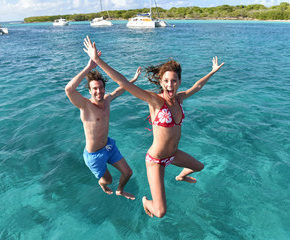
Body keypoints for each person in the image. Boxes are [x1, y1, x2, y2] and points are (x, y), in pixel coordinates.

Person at [83, 36, 224, 217]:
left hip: (173, 155)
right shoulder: (155, 101)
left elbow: (197, 86)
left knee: (199, 166)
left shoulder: (179, 98)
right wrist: (97, 60)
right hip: (156, 161)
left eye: (174, 80)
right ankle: (145, 201)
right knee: (160, 212)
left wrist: (212, 72)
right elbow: (124, 83)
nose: (170, 84)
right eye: (166, 81)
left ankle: (180, 176)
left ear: (179, 82)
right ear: (161, 83)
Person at [65, 52, 142, 200]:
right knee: (108, 180)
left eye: (100, 87)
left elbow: (120, 89)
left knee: (128, 173)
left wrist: (133, 79)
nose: (98, 91)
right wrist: (89, 67)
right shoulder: (85, 106)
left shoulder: (107, 99)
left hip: (108, 147)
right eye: (94, 88)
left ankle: (120, 190)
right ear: (89, 90)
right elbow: (69, 90)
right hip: (94, 155)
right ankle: (103, 184)